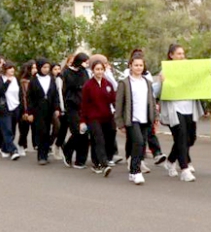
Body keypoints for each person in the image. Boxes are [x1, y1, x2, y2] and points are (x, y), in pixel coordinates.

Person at [153, 44, 201, 182]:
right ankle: (184, 169)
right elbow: (157, 93)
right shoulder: (165, 71)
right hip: (175, 108)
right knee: (181, 136)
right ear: (171, 55)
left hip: (189, 107)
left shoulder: (189, 68)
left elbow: (199, 82)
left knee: (190, 138)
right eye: (178, 54)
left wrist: (207, 74)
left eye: (183, 54)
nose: (181, 56)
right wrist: (162, 83)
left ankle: (171, 160)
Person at [115, 53, 156, 185]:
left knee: (142, 144)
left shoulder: (148, 83)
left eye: (141, 65)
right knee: (137, 142)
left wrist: (155, 117)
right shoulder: (125, 83)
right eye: (136, 65)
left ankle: (133, 171)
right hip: (132, 119)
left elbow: (152, 101)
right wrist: (119, 122)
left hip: (145, 118)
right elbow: (119, 104)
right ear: (130, 66)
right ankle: (136, 171)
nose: (138, 67)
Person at [80, 59, 115, 177]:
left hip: (106, 117)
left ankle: (96, 163)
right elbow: (84, 105)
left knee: (104, 139)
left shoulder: (108, 84)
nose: (99, 72)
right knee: (98, 138)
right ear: (92, 70)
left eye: (101, 69)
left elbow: (113, 100)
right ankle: (104, 164)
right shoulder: (88, 86)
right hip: (93, 117)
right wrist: (82, 121)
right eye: (97, 69)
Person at [26, 58, 60, 165]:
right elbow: (29, 97)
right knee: (41, 132)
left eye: (47, 67)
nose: (46, 69)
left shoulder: (51, 79)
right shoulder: (34, 80)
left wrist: (57, 108)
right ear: (39, 67)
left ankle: (46, 151)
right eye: (44, 67)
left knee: (50, 130)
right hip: (38, 110)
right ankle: (41, 155)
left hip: (49, 109)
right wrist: (30, 112)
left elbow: (55, 95)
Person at [62, 53, 90, 169]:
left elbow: (86, 84)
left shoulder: (84, 71)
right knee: (77, 131)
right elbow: (72, 84)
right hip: (72, 105)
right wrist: (80, 85)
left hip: (83, 105)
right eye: (85, 61)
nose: (87, 64)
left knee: (85, 132)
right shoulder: (67, 72)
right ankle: (67, 150)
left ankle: (80, 160)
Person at [0, 62, 23, 160]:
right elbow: (0, 91)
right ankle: (13, 150)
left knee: (12, 130)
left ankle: (4, 149)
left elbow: (20, 93)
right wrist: (8, 82)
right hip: (4, 108)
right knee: (7, 130)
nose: (12, 70)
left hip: (15, 107)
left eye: (13, 68)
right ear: (5, 69)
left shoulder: (16, 79)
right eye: (10, 68)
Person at [17, 60, 38, 156]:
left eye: (36, 67)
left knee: (36, 128)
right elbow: (24, 97)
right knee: (24, 129)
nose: (35, 70)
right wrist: (26, 111)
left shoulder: (37, 79)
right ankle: (21, 145)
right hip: (24, 108)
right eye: (33, 68)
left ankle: (36, 145)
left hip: (36, 108)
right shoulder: (23, 81)